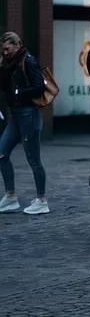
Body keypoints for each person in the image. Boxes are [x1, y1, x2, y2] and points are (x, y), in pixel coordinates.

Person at [0, 31, 49, 215]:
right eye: (2, 49)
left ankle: (42, 200)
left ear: (16, 44)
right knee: (1, 153)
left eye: (7, 48)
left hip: (29, 115)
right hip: (15, 117)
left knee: (34, 160)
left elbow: (40, 87)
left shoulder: (28, 61)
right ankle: (11, 196)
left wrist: (20, 93)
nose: (5, 52)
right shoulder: (9, 64)